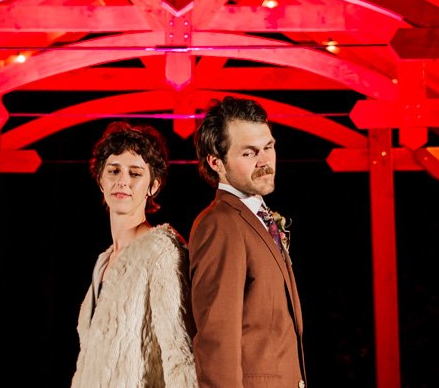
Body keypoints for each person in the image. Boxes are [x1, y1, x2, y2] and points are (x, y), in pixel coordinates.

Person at [189, 96, 306, 388]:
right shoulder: (219, 224)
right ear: (216, 162)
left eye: (268, 147)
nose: (265, 161)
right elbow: (217, 341)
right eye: (248, 153)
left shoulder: (258, 218)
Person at [72, 120, 198, 388]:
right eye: (114, 170)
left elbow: (180, 352)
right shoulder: (103, 262)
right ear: (100, 180)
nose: (122, 181)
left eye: (135, 173)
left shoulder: (161, 250)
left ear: (154, 185)